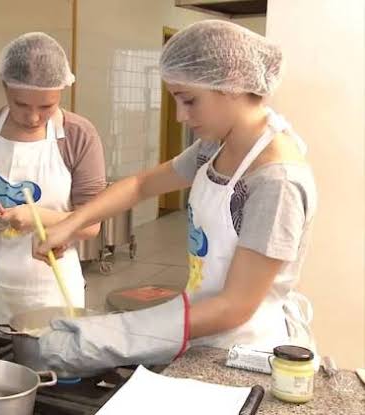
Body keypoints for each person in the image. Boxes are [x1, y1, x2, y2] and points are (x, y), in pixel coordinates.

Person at [33, 20, 318, 375]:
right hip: (197, 329)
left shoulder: (276, 182)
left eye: (189, 101)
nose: (182, 117)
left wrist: (117, 334)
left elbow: (235, 306)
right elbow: (140, 185)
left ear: (230, 84)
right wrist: (72, 224)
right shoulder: (216, 147)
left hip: (242, 350)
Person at [0, 33, 106, 329]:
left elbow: (91, 224)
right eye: (21, 104)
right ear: (5, 87)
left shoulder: (79, 135)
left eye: (47, 107)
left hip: (49, 291)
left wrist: (37, 217)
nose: (33, 117)